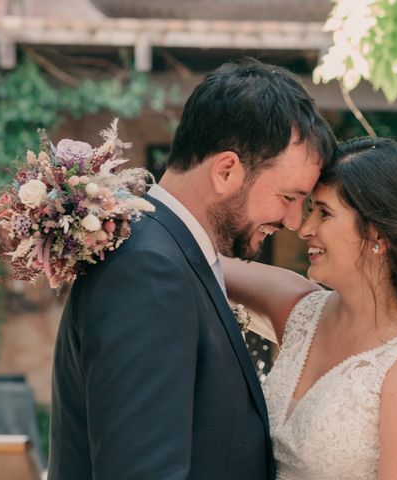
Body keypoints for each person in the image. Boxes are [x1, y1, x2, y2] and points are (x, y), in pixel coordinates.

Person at [48, 58, 336, 480]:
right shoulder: (150, 272)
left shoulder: (168, 253)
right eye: (289, 197)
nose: (293, 222)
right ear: (226, 171)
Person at [223, 137, 397, 479]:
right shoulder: (302, 312)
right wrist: (123, 210)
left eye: (324, 213)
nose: (304, 228)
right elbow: (196, 258)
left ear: (377, 234)